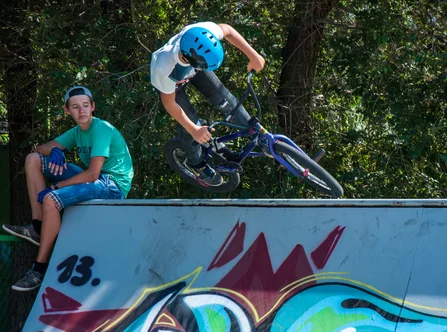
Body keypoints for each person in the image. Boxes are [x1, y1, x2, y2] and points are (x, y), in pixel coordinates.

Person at [2, 86, 134, 291]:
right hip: (95, 178)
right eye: (75, 107)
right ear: (67, 110)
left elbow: (92, 174)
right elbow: (40, 149)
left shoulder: (102, 129)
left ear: (93, 107)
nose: (81, 111)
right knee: (33, 160)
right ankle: (37, 228)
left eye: (85, 106)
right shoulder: (76, 132)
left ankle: (38, 269)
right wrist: (55, 150)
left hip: (112, 185)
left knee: (51, 199)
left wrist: (56, 186)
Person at [150, 21, 265, 186]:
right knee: (191, 126)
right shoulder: (164, 67)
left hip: (193, 65)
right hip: (173, 86)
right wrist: (194, 129)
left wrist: (253, 56)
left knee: (223, 97)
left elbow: (227, 30)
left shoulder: (203, 33)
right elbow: (169, 103)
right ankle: (197, 164)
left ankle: (255, 132)